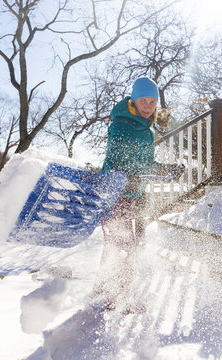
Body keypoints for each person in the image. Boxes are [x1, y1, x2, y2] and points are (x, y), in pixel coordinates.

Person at [93, 77, 184, 312]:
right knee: (125, 249)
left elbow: (142, 162)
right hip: (114, 192)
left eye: (153, 102)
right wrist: (127, 174)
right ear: (133, 100)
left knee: (116, 246)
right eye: (143, 100)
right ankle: (118, 300)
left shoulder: (146, 126)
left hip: (126, 194)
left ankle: (103, 292)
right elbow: (119, 156)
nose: (148, 106)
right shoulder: (123, 123)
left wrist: (165, 169)